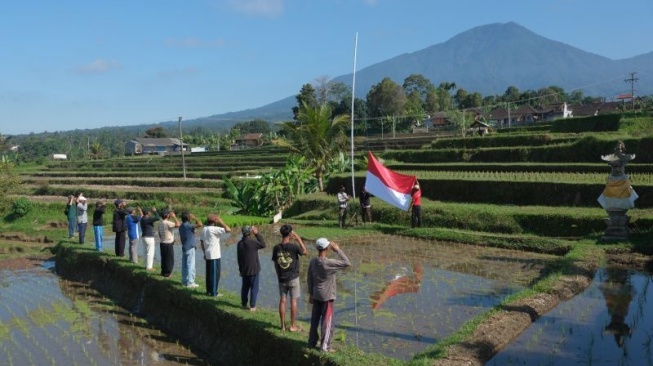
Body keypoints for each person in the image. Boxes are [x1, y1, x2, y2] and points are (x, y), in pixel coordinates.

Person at [307, 238, 351, 353]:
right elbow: (347, 262)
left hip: (316, 295)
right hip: (327, 297)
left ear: (317, 248)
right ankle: (325, 347)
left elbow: (309, 279)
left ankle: (311, 342)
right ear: (327, 248)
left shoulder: (313, 261)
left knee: (314, 320)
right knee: (327, 323)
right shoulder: (329, 263)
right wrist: (337, 250)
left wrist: (311, 293)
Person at [272, 224, 307, 331]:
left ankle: (282, 326)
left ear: (281, 233)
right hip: (293, 278)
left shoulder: (276, 248)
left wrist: (279, 275)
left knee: (282, 300)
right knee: (293, 301)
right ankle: (292, 326)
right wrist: (298, 239)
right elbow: (305, 252)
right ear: (290, 233)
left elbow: (276, 263)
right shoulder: (294, 247)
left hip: (281, 277)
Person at [200, 213, 231, 297]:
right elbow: (228, 229)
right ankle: (213, 292)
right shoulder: (214, 229)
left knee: (209, 274)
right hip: (214, 256)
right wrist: (221, 222)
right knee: (215, 275)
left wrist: (204, 253)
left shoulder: (204, 229)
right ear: (214, 221)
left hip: (208, 254)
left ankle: (209, 291)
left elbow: (202, 242)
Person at [237, 225, 266, 311]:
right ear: (250, 233)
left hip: (244, 269)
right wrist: (257, 234)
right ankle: (252, 306)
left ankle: (243, 304)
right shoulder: (253, 242)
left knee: (245, 287)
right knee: (254, 288)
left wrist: (240, 269)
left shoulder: (240, 243)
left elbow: (239, 257)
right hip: (254, 269)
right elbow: (263, 244)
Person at [180, 211, 203, 288]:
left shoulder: (181, 226)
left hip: (184, 247)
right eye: (189, 217)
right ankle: (190, 282)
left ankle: (184, 281)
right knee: (191, 265)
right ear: (188, 218)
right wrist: (195, 218)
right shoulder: (188, 226)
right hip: (190, 247)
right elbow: (200, 224)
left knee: (184, 265)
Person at [158, 208, 180, 278]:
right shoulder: (167, 223)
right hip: (168, 243)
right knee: (169, 259)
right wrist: (174, 217)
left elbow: (159, 234)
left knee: (164, 258)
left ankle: (163, 272)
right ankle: (167, 273)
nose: (170, 215)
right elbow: (178, 224)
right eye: (169, 214)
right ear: (167, 215)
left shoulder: (160, 223)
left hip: (162, 242)